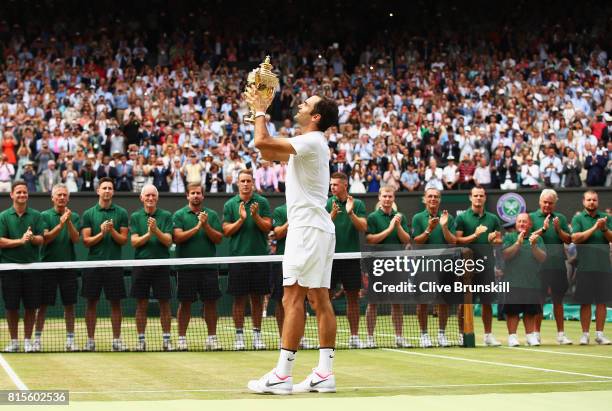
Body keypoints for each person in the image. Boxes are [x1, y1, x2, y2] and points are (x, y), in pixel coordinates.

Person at [245, 89, 338, 394]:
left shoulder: (311, 141)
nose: (300, 105)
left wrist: (260, 110)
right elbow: (268, 153)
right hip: (320, 229)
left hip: (307, 230)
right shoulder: (313, 144)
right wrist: (260, 120)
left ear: (316, 117)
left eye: (306, 104)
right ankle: (324, 374)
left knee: (291, 299)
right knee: (319, 300)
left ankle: (283, 375)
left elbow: (261, 142)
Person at [223, 169, 272, 350]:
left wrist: (256, 216)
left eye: (248, 181)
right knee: (239, 300)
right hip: (238, 259)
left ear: (253, 183)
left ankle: (257, 335)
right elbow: (226, 231)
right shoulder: (230, 204)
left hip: (259, 257)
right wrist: (241, 220)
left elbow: (267, 227)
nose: (245, 184)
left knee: (257, 299)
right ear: (238, 183)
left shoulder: (262, 202)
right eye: (242, 181)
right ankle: (239, 337)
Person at [80, 177, 129, 351]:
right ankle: (90, 340)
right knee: (91, 303)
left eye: (110, 188)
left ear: (113, 191)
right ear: (98, 191)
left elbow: (123, 240)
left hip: (113, 266)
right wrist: (101, 233)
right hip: (93, 266)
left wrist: (112, 230)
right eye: (104, 188)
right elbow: (86, 241)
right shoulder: (88, 214)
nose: (107, 191)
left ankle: (117, 340)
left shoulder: (122, 213)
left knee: (115, 303)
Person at [173, 183, 223, 351]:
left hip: (208, 267)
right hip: (186, 267)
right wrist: (197, 227)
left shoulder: (212, 215)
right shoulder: (180, 215)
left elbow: (218, 239)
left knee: (210, 303)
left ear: (203, 196)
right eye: (192, 193)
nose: (195, 196)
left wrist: (206, 225)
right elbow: (178, 237)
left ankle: (212, 338)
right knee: (185, 303)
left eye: (198, 193)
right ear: (187, 196)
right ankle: (181, 339)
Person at [455, 187, 503, 346]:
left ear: (484, 198)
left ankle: (488, 335)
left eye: (481, 196)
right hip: (466, 267)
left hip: (487, 266)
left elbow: (499, 241)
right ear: (470, 197)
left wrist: (492, 239)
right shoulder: (462, 218)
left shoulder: (493, 219)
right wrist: (475, 235)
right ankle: (462, 334)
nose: (478, 198)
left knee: (486, 302)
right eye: (475, 195)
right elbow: (458, 240)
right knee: (464, 303)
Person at [364, 187, 412, 348]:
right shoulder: (372, 217)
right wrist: (390, 228)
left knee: (397, 302)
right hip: (378, 265)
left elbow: (406, 240)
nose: (387, 199)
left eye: (390, 196)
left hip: (397, 265)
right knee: (373, 302)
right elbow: (371, 239)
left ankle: (399, 337)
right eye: (384, 196)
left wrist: (397, 226)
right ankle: (370, 338)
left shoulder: (401, 217)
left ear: (393, 198)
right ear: (380, 197)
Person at [0, 181, 44, 352]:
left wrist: (32, 238)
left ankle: (27, 341)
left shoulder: (36, 216)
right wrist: (20, 241)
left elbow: (41, 239)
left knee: (31, 307)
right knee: (11, 307)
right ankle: (14, 341)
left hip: (32, 268)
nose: (22, 195)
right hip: (9, 269)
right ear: (12, 195)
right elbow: (1, 241)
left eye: (24, 192)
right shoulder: (3, 216)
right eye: (18, 192)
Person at [35, 184, 80, 352]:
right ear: (52, 198)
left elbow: (76, 239)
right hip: (48, 267)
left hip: (68, 267)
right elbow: (45, 238)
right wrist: (60, 224)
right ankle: (37, 339)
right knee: (43, 305)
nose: (61, 197)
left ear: (68, 198)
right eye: (58, 195)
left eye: (64, 195)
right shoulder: (44, 216)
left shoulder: (73, 216)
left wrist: (67, 222)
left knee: (70, 306)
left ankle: (70, 340)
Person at [130, 184, 174, 351]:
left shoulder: (166, 216)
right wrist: (149, 233)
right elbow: (134, 242)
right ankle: (141, 341)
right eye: (147, 195)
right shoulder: (135, 217)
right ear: (141, 198)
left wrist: (156, 230)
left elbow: (168, 241)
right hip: (141, 265)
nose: (150, 198)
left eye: (153, 195)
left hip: (161, 265)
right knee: (141, 304)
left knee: (165, 304)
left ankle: (167, 340)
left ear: (157, 198)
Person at [326, 172, 367, 348]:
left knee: (352, 298)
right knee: (325, 298)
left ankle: (354, 336)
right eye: (331, 184)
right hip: (330, 257)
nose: (332, 187)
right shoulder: (327, 202)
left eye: (335, 185)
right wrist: (332, 215)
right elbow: (320, 227)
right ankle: (327, 337)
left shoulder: (357, 204)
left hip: (350, 258)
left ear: (345, 185)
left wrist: (351, 213)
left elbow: (363, 227)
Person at [411, 188, 457, 347]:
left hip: (444, 265)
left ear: (440, 199)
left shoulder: (448, 218)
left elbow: (453, 241)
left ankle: (441, 335)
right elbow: (416, 241)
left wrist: (444, 227)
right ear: (425, 199)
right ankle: (424, 335)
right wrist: (429, 229)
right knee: (422, 302)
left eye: (436, 197)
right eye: (430, 196)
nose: (433, 199)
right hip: (424, 266)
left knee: (443, 302)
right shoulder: (418, 218)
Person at [529, 189, 573, 345]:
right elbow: (528, 238)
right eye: (545, 202)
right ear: (540, 201)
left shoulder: (560, 218)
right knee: (538, 301)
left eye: (550, 203)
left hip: (558, 266)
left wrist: (558, 230)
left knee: (558, 301)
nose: (547, 205)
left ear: (555, 203)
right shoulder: (532, 217)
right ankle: (535, 334)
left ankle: (561, 335)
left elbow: (568, 240)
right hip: (538, 268)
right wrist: (543, 229)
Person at [571, 190, 612, 345]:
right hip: (585, 267)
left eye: (594, 200)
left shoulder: (607, 218)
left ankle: (600, 334)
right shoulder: (578, 218)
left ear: (598, 201)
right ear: (584, 202)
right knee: (585, 302)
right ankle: (585, 334)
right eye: (589, 200)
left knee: (602, 302)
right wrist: (595, 227)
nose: (591, 202)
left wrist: (604, 229)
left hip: (604, 268)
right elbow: (575, 238)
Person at [501, 213, 547, 347]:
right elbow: (505, 255)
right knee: (512, 312)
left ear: (530, 224)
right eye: (519, 221)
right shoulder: (509, 237)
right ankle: (512, 337)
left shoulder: (537, 239)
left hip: (532, 283)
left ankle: (530, 336)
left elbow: (542, 258)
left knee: (530, 312)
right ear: (516, 224)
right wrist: (517, 243)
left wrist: (533, 246)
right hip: (513, 282)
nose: (522, 224)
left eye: (524, 222)